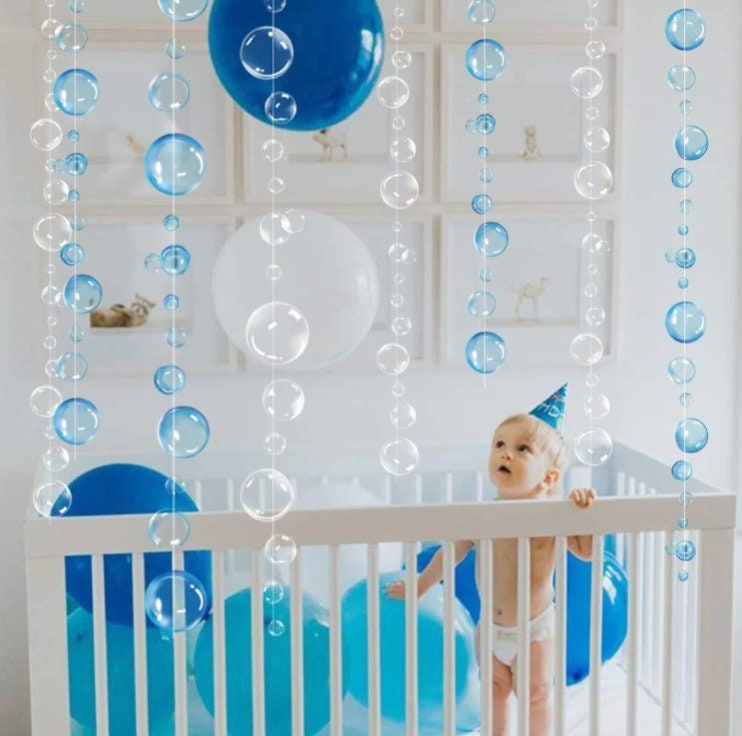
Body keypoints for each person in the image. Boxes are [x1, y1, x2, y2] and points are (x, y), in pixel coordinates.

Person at [385, 384, 596, 736]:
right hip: (492, 627)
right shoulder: (483, 515)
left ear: (549, 477)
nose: (506, 454)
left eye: (522, 448)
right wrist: (420, 585)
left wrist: (582, 513)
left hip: (534, 629)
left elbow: (586, 551)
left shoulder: (552, 515)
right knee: (496, 691)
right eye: (499, 444)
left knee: (536, 695)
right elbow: (451, 551)